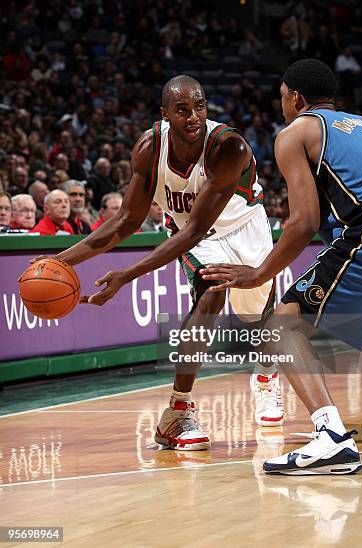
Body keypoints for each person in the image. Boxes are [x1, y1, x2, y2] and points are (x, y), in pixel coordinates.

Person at [32, 75, 284, 450]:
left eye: (199, 106)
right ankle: (177, 413)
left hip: (244, 226)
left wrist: (127, 275)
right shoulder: (150, 148)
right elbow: (125, 221)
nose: (194, 116)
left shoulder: (228, 147)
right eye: (182, 110)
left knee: (258, 314)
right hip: (196, 235)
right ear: (165, 114)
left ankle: (265, 375)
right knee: (211, 292)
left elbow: (196, 227)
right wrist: (59, 261)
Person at [201, 59, 362, 474]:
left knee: (282, 324)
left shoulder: (296, 132)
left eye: (281, 97)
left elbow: (304, 222)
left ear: (294, 97)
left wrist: (257, 274)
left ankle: (330, 437)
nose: (281, 106)